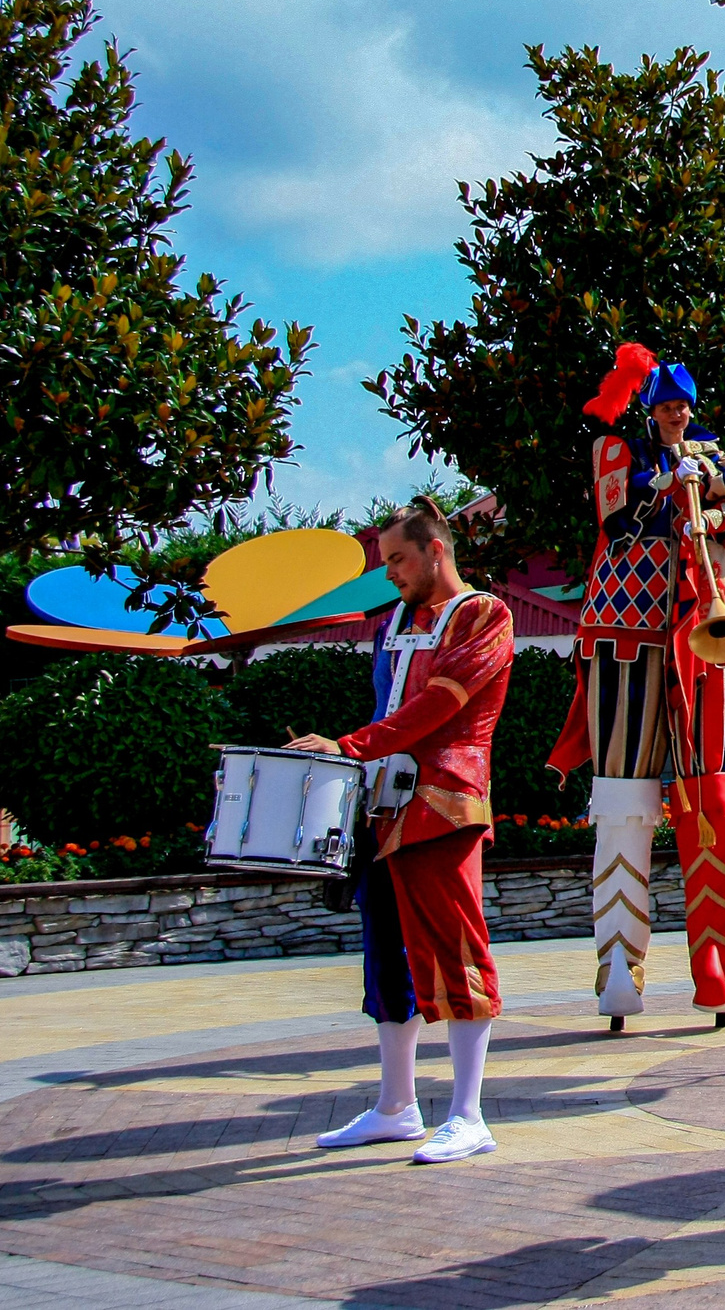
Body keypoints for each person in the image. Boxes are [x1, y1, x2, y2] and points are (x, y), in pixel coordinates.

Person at [547, 342, 725, 1030]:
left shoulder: (713, 455)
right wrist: (671, 485)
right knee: (623, 804)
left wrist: (712, 486)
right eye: (665, 404)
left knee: (710, 798)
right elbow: (616, 517)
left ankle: (717, 972)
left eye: (684, 404)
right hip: (626, 629)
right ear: (649, 409)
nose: (677, 413)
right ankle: (619, 968)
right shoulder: (619, 453)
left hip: (707, 633)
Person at [291, 497, 515, 1164]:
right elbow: (393, 704)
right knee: (387, 962)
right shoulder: (397, 620)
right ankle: (396, 1105)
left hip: (446, 807)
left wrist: (348, 747)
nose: (389, 572)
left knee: (457, 950)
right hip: (385, 812)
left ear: (435, 549)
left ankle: (469, 1113)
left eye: (397, 558)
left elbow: (437, 706)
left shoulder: (484, 614)